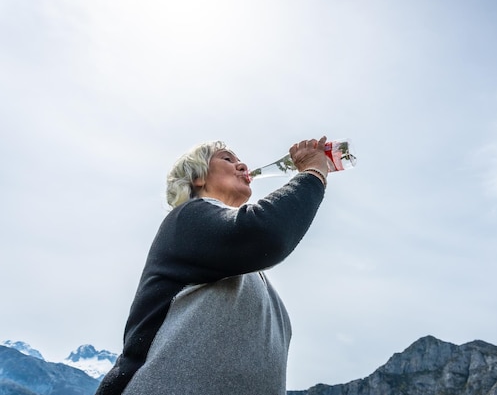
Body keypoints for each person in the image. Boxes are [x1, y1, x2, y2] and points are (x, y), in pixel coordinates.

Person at [95, 136, 329, 395]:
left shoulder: (243, 267)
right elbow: (265, 233)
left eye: (240, 160)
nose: (242, 166)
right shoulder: (187, 219)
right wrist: (313, 172)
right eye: (228, 159)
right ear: (198, 177)